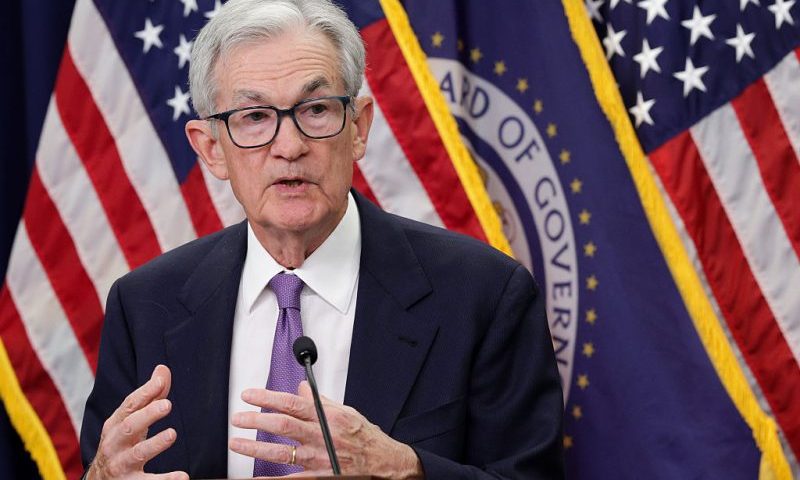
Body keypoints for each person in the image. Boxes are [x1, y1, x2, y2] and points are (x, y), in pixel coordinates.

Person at [79, 0, 564, 478]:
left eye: (315, 109)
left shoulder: (484, 295)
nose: (289, 148)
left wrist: (406, 469)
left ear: (358, 128)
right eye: (254, 118)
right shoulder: (145, 305)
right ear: (211, 150)